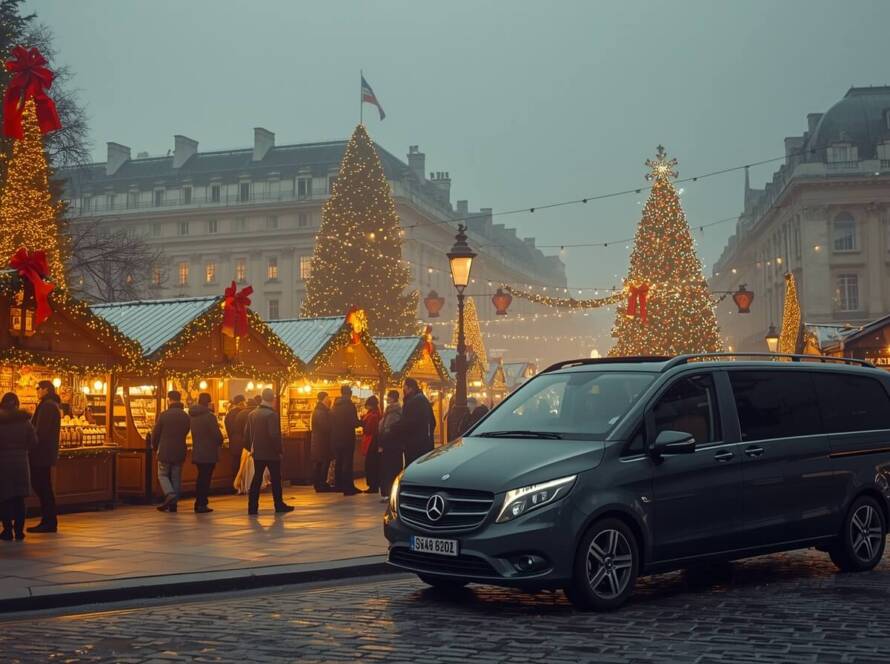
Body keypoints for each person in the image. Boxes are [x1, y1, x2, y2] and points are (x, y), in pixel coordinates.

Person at [245, 388, 293, 515]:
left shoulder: (252, 414)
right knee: (276, 478)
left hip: (258, 452)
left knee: (257, 478)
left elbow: (247, 435)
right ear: (273, 399)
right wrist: (279, 449)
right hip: (271, 453)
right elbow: (274, 435)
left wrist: (252, 448)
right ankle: (279, 504)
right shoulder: (271, 415)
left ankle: (252, 506)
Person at [0, 393, 36, 541]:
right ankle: (19, 531)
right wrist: (23, 449)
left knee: (4, 497)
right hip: (21, 462)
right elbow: (34, 441)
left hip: (3, 462)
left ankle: (7, 530)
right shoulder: (25, 422)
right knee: (20, 498)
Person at [28, 380, 61, 533]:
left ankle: (49, 520)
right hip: (45, 453)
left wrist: (30, 443)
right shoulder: (51, 405)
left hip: (41, 453)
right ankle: (49, 520)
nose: (37, 391)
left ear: (46, 389)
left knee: (42, 486)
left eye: (38, 388)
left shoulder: (47, 406)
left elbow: (41, 432)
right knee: (44, 486)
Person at [151, 390, 190, 513]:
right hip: (180, 449)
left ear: (169, 400)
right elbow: (186, 431)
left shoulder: (164, 415)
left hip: (165, 450)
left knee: (162, 474)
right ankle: (173, 505)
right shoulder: (185, 416)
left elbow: (156, 433)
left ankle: (170, 494)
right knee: (176, 477)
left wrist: (155, 446)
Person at [189, 392, 223, 514]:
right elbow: (217, 435)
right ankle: (202, 503)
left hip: (198, 450)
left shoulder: (192, 416)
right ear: (208, 403)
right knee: (206, 478)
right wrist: (220, 441)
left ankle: (199, 502)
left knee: (201, 477)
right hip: (209, 451)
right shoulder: (210, 417)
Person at [392, 378, 436, 465]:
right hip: (420, 443)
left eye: (404, 386)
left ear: (410, 388)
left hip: (415, 445)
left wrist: (394, 427)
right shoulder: (419, 399)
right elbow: (433, 422)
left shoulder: (416, 401)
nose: (403, 389)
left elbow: (409, 422)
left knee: (414, 466)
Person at [330, 385, 361, 495]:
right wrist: (362, 422)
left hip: (336, 438)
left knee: (339, 462)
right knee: (347, 462)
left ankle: (339, 486)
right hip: (347, 437)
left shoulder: (335, 406)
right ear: (350, 393)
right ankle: (348, 487)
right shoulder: (349, 406)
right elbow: (354, 422)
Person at [378, 390, 403, 500]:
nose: (387, 398)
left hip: (391, 445)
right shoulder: (390, 411)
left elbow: (388, 429)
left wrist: (382, 441)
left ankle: (390, 492)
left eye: (389, 397)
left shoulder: (394, 412)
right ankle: (389, 492)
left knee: (390, 469)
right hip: (391, 445)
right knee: (389, 468)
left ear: (393, 398)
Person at [310, 392, 334, 492]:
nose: (329, 399)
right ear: (324, 398)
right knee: (322, 463)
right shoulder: (321, 411)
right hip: (322, 442)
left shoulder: (319, 410)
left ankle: (319, 484)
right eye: (328, 397)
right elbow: (326, 427)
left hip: (319, 441)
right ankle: (320, 484)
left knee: (320, 463)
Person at [361, 396, 382, 494]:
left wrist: (362, 422)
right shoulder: (377, 413)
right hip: (374, 441)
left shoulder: (372, 415)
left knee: (370, 464)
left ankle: (373, 486)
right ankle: (374, 485)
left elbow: (368, 429)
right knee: (373, 464)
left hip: (371, 442)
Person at [224, 394, 248, 475]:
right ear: (241, 403)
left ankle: (235, 481)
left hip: (233, 443)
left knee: (235, 464)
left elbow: (228, 429)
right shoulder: (243, 414)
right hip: (243, 444)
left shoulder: (228, 415)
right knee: (243, 467)